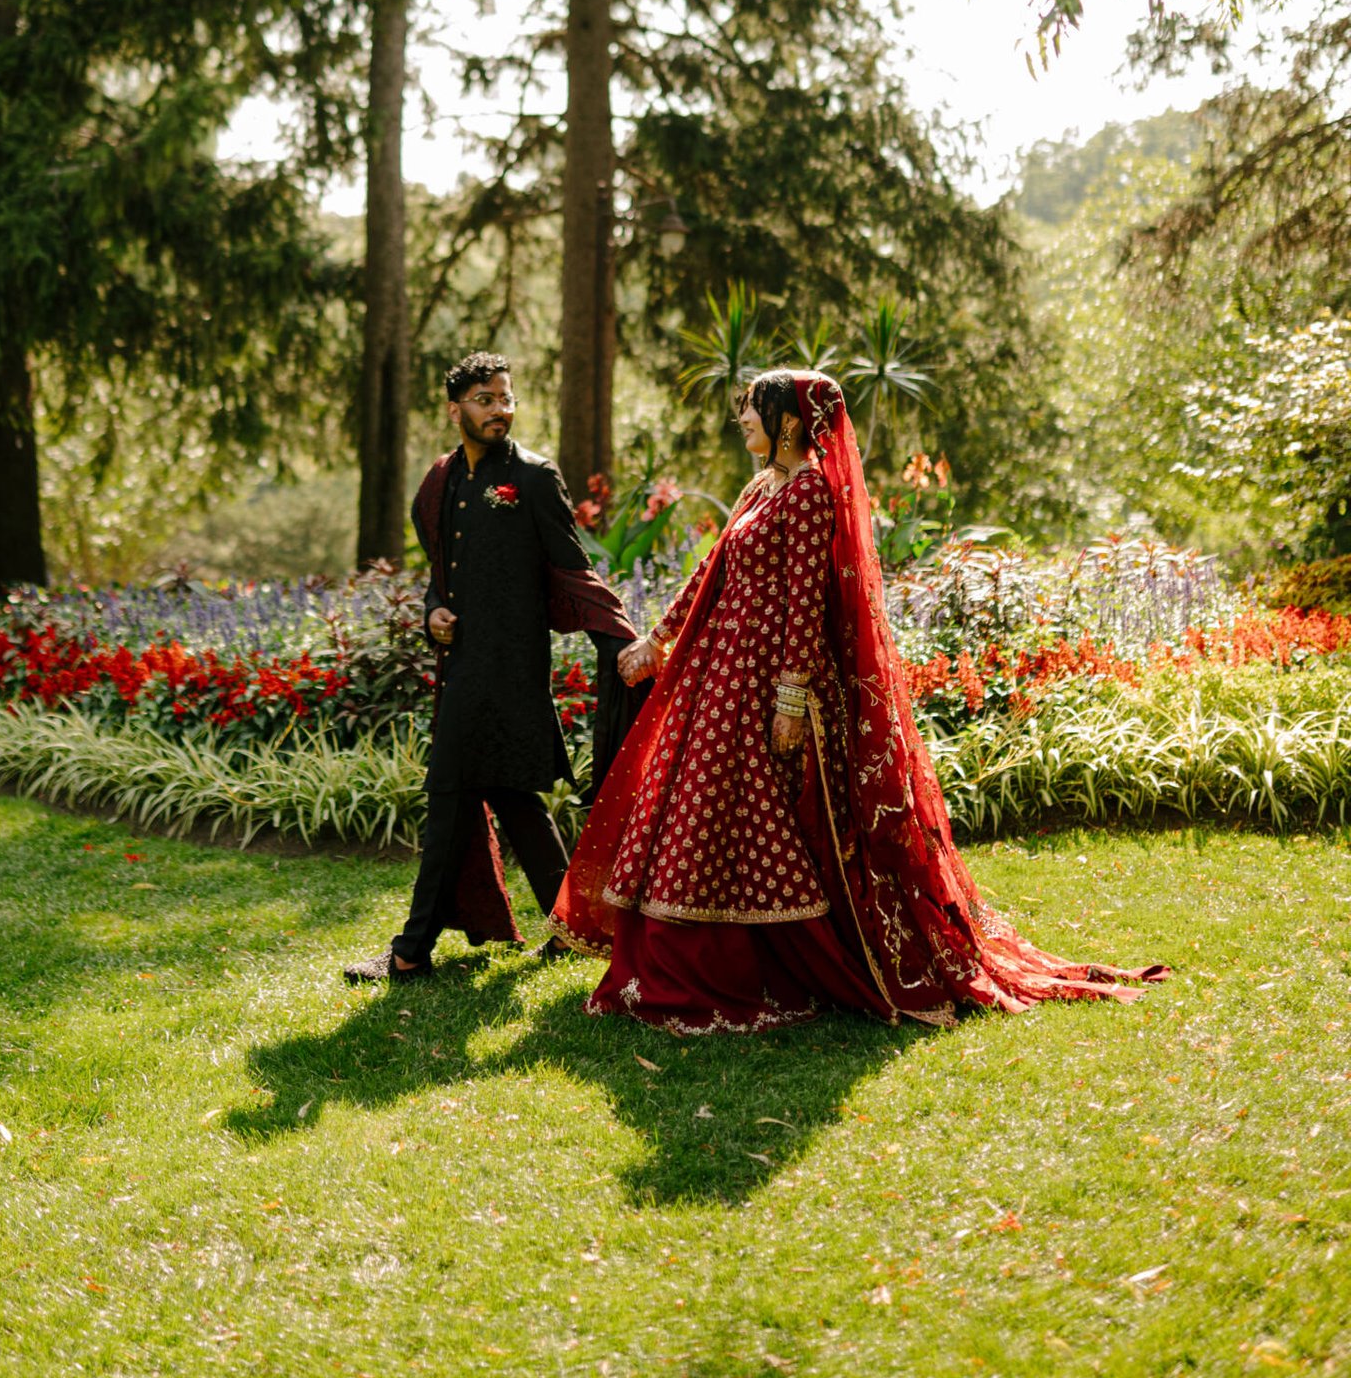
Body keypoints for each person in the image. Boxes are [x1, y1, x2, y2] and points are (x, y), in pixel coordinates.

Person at [553, 370, 1168, 1033]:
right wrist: (659, 638)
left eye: (753, 409)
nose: (743, 420)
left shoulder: (810, 492)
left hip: (767, 678)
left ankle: (747, 963)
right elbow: (713, 569)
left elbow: (803, 599)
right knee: (699, 804)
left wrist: (790, 698)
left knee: (744, 811)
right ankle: (675, 957)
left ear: (788, 420)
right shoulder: (762, 485)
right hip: (720, 672)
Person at [345, 352, 644, 983]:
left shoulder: (533, 477)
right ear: (454, 410)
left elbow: (572, 567)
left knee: (448, 797)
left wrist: (620, 639)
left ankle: (410, 952)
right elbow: (439, 573)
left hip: (512, 671)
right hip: (462, 668)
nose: (500, 410)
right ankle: (575, 927)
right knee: (513, 797)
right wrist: (433, 611)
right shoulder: (441, 481)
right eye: (485, 400)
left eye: (506, 398)